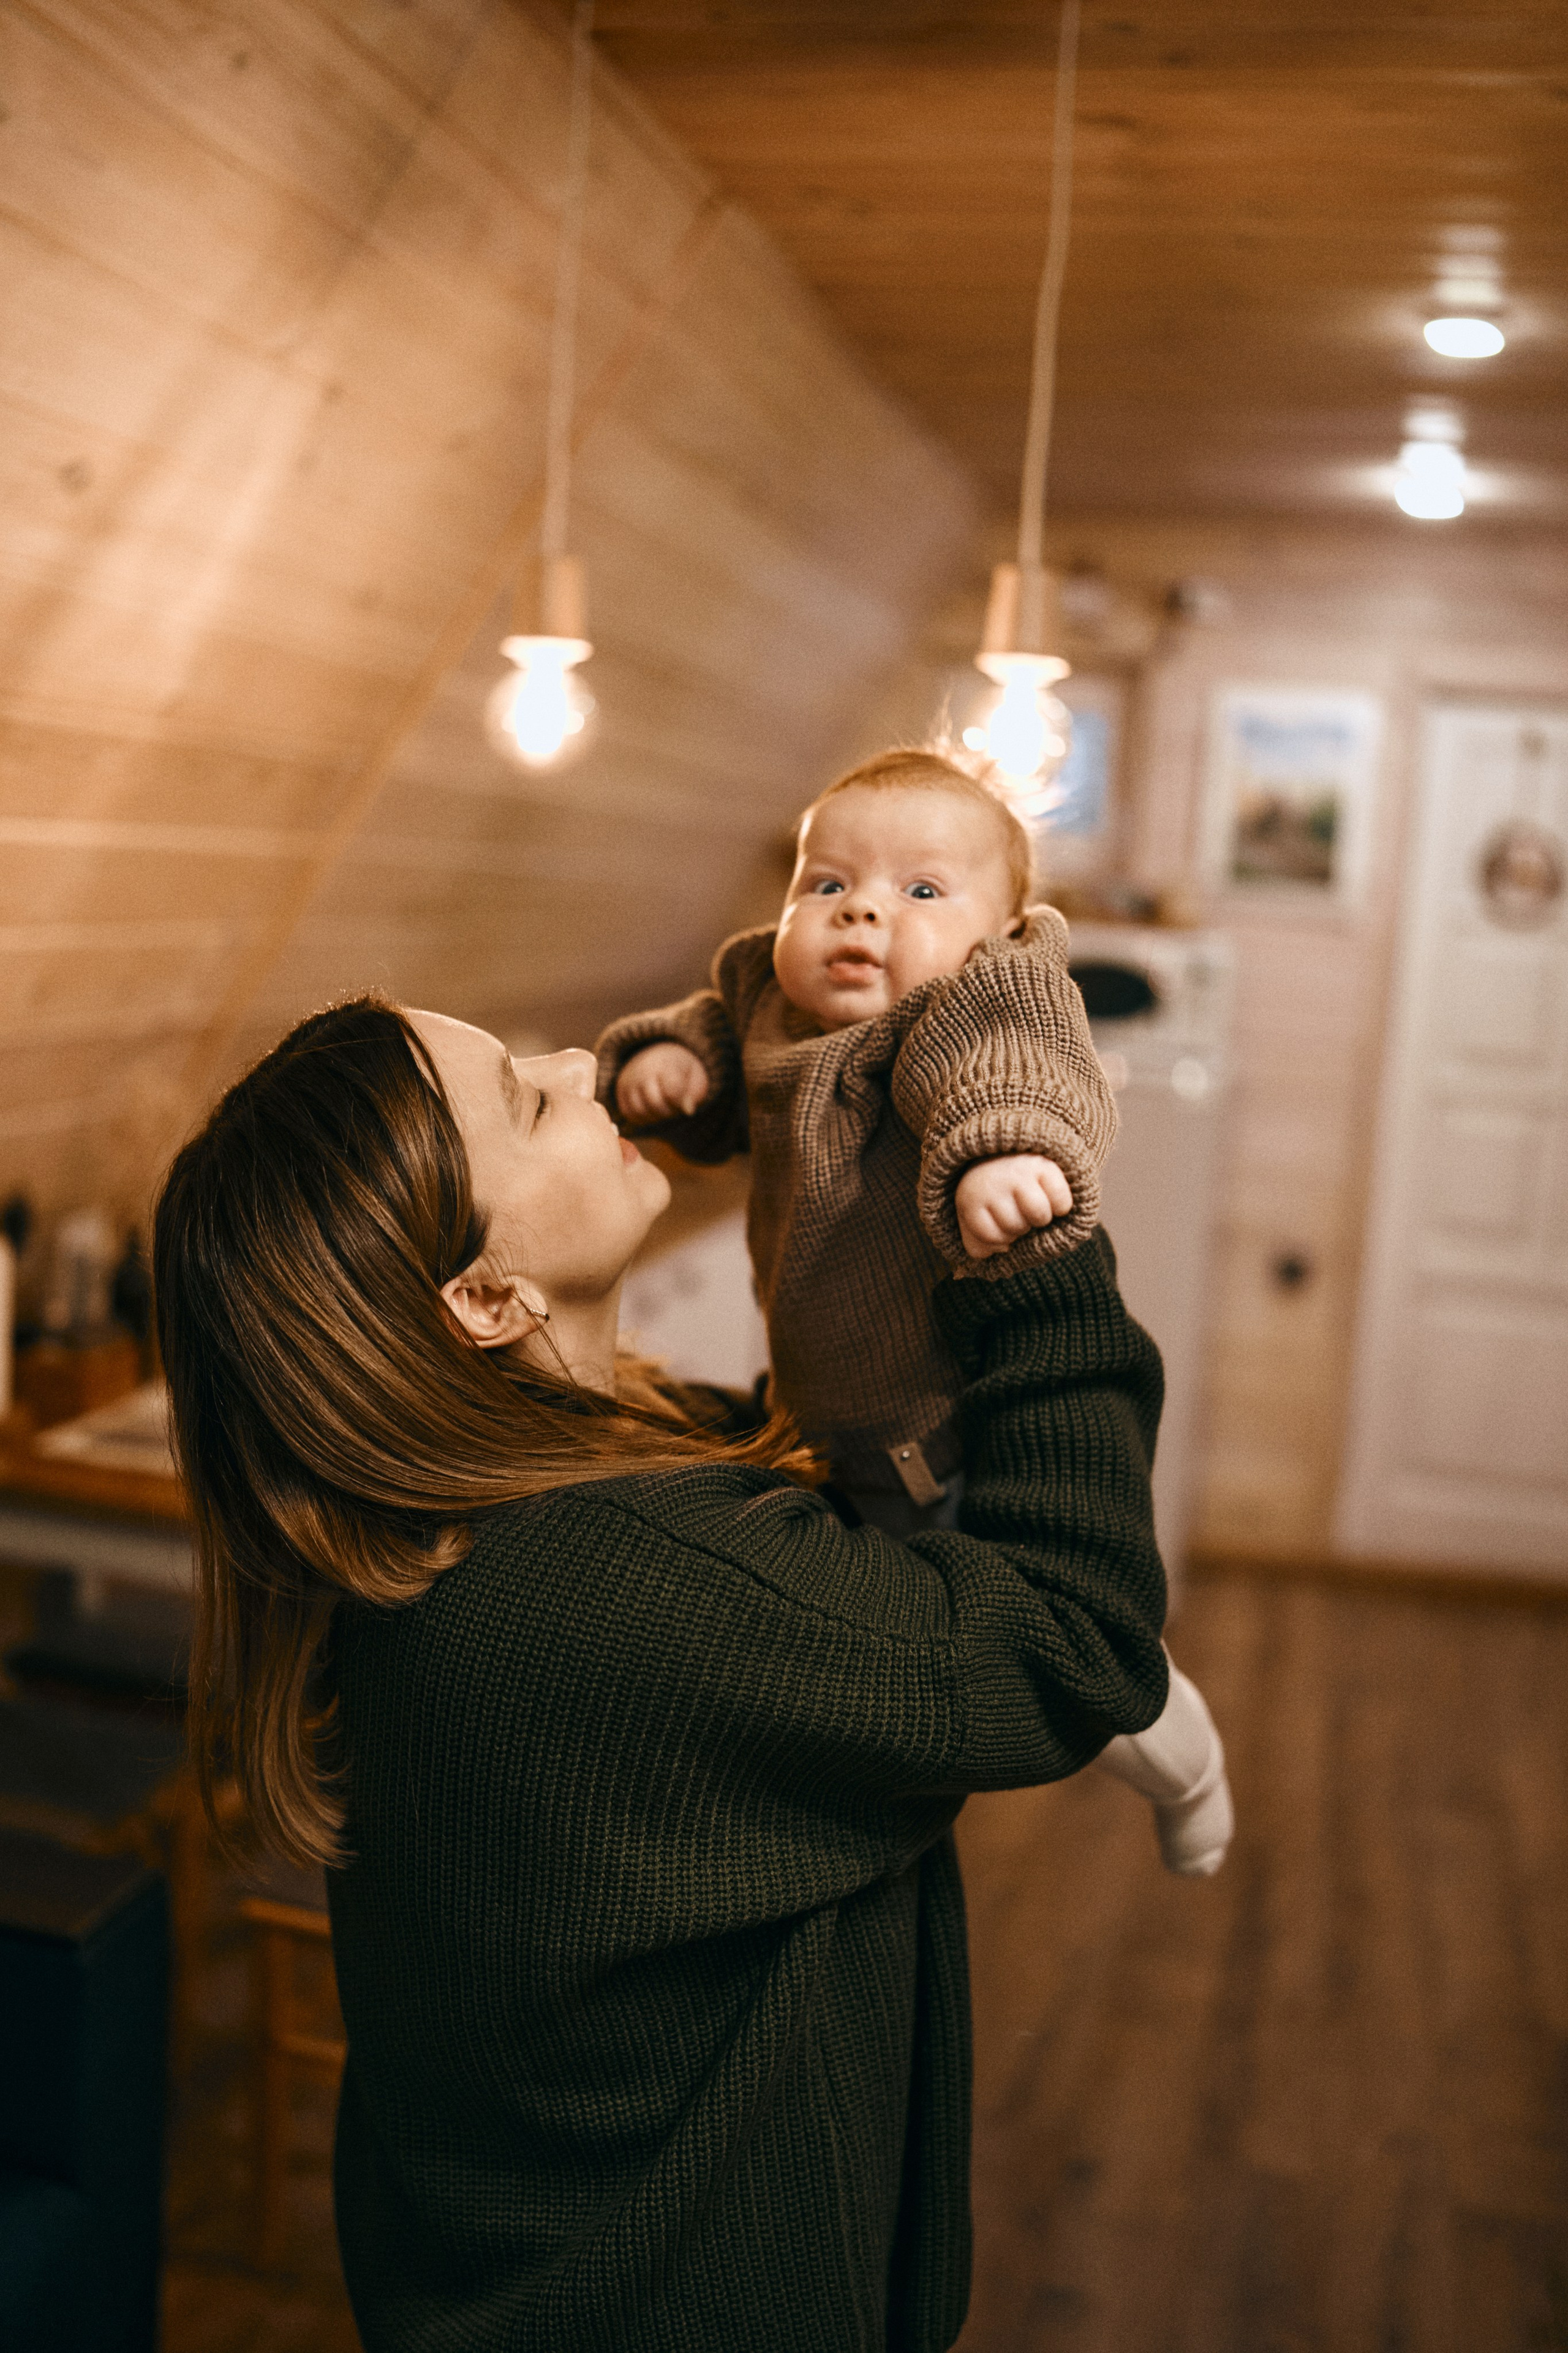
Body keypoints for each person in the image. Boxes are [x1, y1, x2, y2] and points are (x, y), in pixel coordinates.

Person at [154, 994, 1173, 2353]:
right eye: (523, 1098)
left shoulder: (442, 1535)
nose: (580, 1060)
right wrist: (1036, 1246)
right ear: (480, 1295)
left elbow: (817, 1473)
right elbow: (1073, 1640)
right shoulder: (631, 1587)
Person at [597, 748, 1232, 1876]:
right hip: (831, 1424)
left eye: (921, 891)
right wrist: (666, 1065)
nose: (863, 911)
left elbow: (1013, 1064)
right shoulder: (772, 1004)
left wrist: (1005, 1150)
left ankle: (1186, 1763)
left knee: (1080, 1679)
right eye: (826, 883)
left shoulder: (970, 1001)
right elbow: (716, 1038)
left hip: (951, 1432)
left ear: (997, 931)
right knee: (884, 1688)